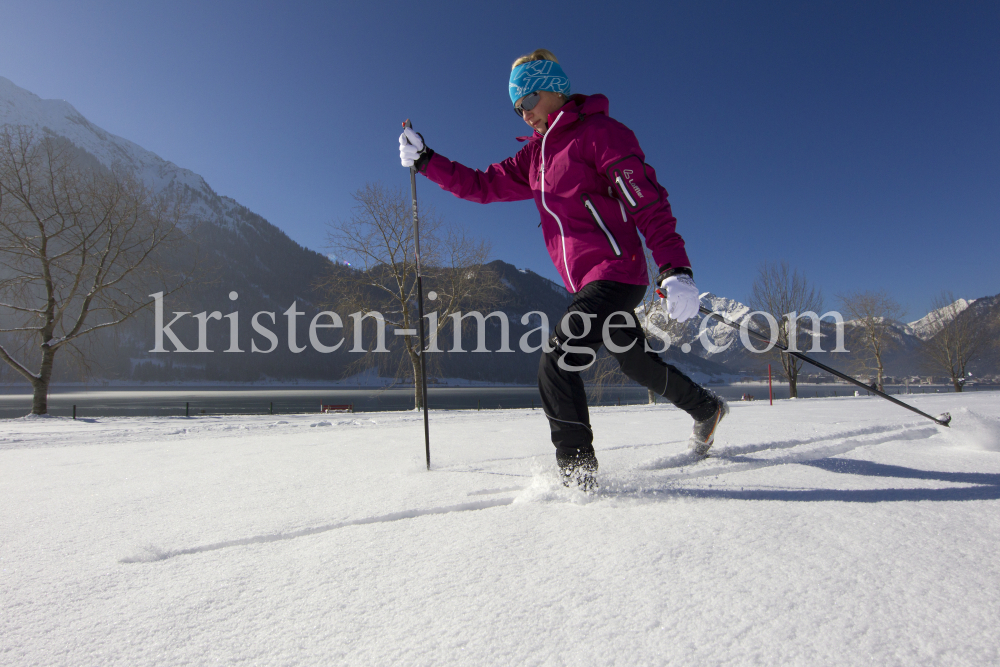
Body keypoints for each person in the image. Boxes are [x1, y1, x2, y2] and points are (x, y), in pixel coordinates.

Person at [399, 49, 727, 491]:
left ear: (555, 87)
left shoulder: (600, 133)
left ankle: (578, 479)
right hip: (590, 282)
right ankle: (706, 408)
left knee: (557, 361)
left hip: (617, 271)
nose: (525, 113)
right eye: (517, 107)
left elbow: (646, 200)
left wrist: (674, 267)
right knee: (635, 361)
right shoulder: (533, 159)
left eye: (529, 99)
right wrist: (427, 161)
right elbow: (480, 185)